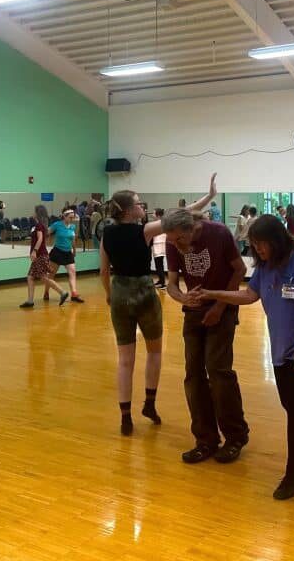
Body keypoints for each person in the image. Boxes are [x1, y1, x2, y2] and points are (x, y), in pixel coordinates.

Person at [192, 214, 294, 500]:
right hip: (281, 347)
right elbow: (248, 296)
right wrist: (211, 293)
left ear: (276, 240)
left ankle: (293, 472)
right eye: (254, 245)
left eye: (261, 244)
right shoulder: (266, 266)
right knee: (291, 404)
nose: (258, 250)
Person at [99, 178, 218, 437]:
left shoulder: (107, 233)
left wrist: (109, 295)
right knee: (154, 352)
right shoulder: (143, 230)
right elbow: (182, 216)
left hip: (119, 293)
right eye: (139, 203)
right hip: (143, 292)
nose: (143, 206)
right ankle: (149, 405)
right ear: (130, 210)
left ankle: (125, 418)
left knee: (124, 360)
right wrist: (208, 197)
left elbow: (103, 272)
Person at [164, 197, 251, 466]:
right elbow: (172, 283)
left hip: (223, 308)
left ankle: (235, 436)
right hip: (194, 312)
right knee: (193, 374)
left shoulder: (219, 233)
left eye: (179, 239)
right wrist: (181, 298)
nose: (176, 245)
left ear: (190, 228)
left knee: (218, 371)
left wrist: (220, 306)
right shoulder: (172, 242)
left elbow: (240, 269)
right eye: (173, 240)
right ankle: (205, 439)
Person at [21, 205, 68, 308]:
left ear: (37, 213)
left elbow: (40, 239)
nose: (32, 213)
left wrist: (34, 251)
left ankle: (62, 292)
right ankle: (30, 301)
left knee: (43, 278)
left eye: (34, 211)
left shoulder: (39, 226)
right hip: (41, 255)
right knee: (31, 277)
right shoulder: (40, 226)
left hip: (40, 256)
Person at [48, 209, 84, 303]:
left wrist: (74, 250)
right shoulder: (57, 224)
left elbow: (72, 240)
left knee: (72, 272)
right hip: (57, 252)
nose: (72, 219)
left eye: (73, 217)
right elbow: (47, 232)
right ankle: (46, 291)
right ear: (64, 216)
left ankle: (74, 294)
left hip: (68, 253)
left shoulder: (72, 227)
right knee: (51, 275)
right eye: (70, 217)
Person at [152, 209, 167, 288]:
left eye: (154, 213)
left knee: (159, 265)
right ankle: (161, 281)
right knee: (159, 265)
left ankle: (162, 283)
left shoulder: (159, 223)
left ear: (158, 215)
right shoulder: (161, 222)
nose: (152, 215)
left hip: (158, 245)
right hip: (159, 245)